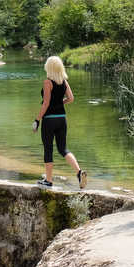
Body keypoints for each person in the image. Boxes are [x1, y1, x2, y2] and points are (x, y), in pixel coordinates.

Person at [33, 55, 86, 189]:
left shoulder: (47, 82)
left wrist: (37, 120)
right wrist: (59, 103)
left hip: (49, 120)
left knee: (48, 149)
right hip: (62, 118)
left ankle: (48, 181)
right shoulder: (64, 81)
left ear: (48, 67)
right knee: (63, 149)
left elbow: (45, 104)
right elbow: (71, 98)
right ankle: (79, 172)